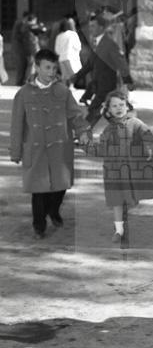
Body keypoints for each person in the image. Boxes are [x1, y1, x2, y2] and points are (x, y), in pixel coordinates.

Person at [9, 48, 91, 238]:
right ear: (37, 67)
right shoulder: (23, 94)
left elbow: (75, 115)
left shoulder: (62, 91)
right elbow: (17, 125)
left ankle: (54, 210)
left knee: (59, 188)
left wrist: (83, 132)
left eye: (54, 68)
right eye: (47, 67)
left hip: (60, 149)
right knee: (38, 191)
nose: (51, 72)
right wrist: (16, 151)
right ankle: (39, 225)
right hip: (35, 150)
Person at [84, 90, 153, 246]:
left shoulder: (136, 123)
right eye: (114, 106)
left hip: (132, 171)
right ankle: (119, 230)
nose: (118, 108)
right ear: (108, 110)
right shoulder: (108, 130)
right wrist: (88, 146)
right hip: (113, 172)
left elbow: (148, 135)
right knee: (116, 201)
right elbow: (102, 149)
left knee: (130, 200)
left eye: (121, 105)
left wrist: (149, 147)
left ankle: (126, 216)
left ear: (127, 106)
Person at [72, 10, 131, 127]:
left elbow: (120, 62)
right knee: (106, 112)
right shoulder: (98, 43)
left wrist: (127, 80)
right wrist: (76, 77)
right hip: (98, 83)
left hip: (106, 84)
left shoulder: (109, 43)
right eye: (90, 26)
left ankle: (83, 132)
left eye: (93, 26)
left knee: (95, 109)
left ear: (101, 27)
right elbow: (89, 64)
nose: (90, 29)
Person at [11, 12, 41, 86]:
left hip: (23, 50)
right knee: (25, 66)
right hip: (22, 50)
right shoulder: (24, 25)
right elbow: (26, 39)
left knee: (25, 66)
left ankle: (22, 82)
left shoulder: (24, 25)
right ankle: (22, 82)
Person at [54, 17, 82, 85]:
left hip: (61, 58)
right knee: (74, 75)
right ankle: (73, 87)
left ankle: (65, 89)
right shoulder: (73, 34)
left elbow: (57, 50)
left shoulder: (59, 36)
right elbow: (78, 47)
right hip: (71, 58)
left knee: (64, 77)